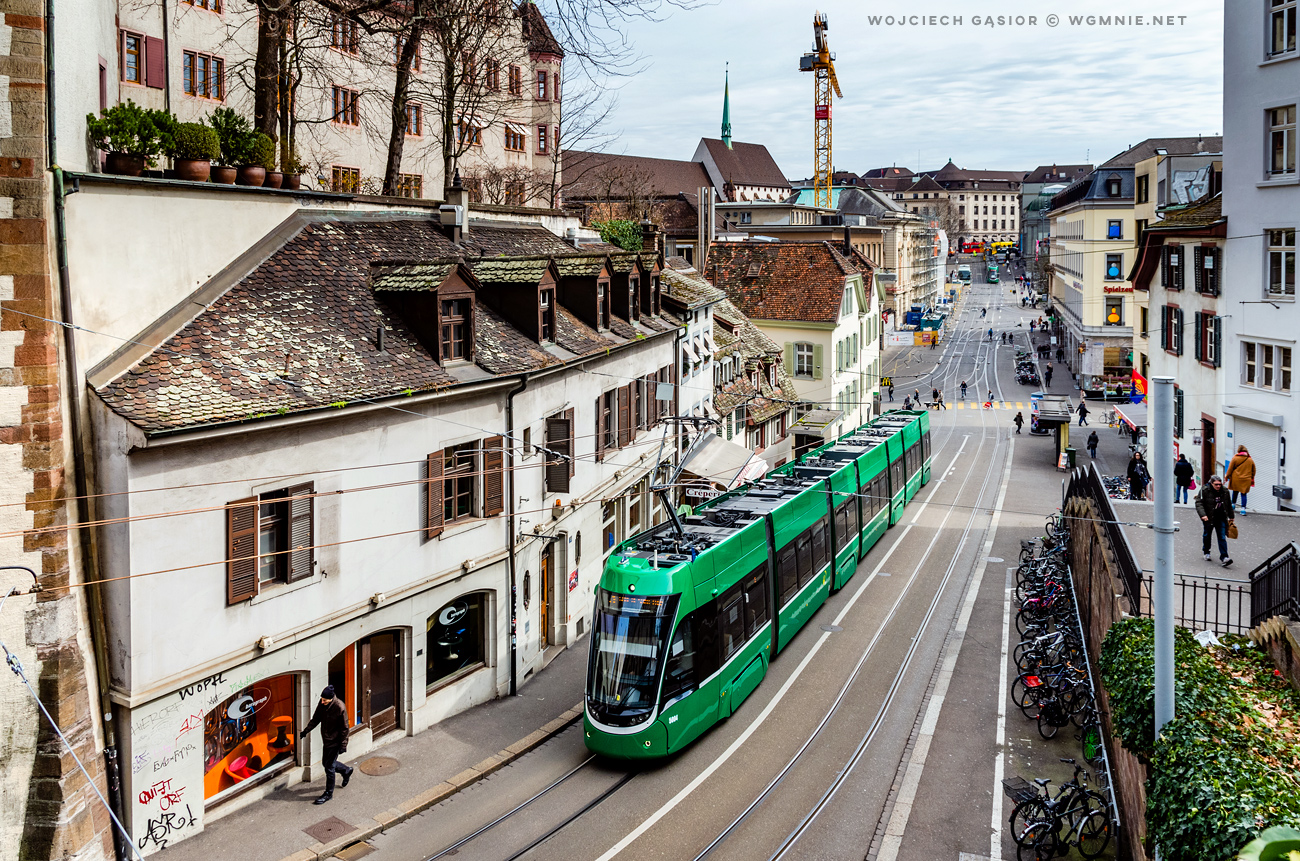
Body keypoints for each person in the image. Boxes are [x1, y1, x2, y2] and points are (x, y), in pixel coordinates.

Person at [301, 686, 354, 804]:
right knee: (326, 763)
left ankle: (328, 793)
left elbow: (345, 728)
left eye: (325, 700)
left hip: (335, 741)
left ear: (331, 699)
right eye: (321, 699)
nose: (322, 702)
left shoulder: (339, 707)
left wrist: (343, 745)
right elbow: (315, 719)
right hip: (327, 740)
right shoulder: (323, 704)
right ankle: (346, 770)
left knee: (329, 768)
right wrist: (306, 731)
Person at [1195, 475, 1235, 566]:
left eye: (1219, 484)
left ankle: (1224, 557)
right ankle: (1206, 552)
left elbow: (1228, 503)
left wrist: (1231, 516)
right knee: (1207, 535)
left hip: (1221, 517)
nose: (1218, 486)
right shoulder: (1205, 490)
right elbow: (1199, 503)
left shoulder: (1224, 491)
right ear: (1211, 483)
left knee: (1222, 537)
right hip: (1209, 517)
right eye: (1216, 484)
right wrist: (1203, 515)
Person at [1225, 445, 1256, 514]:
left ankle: (1233, 505)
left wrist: (1227, 476)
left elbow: (1230, 469)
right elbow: (1254, 470)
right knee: (1244, 494)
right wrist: (1251, 477)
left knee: (1235, 491)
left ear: (1239, 451)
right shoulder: (1250, 460)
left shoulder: (1235, 458)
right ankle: (1243, 509)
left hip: (1236, 478)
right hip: (1246, 479)